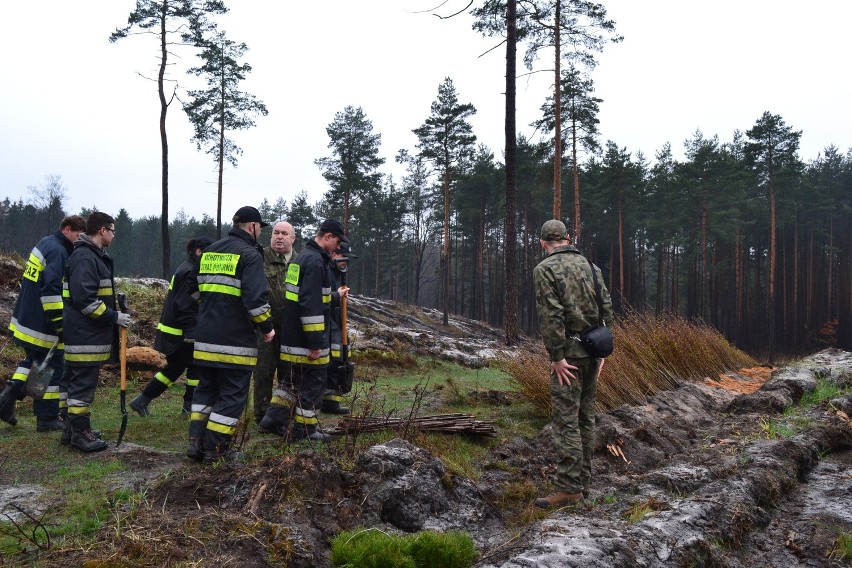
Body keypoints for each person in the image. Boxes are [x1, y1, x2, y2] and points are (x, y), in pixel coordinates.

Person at [532, 219, 613, 509]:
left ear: (543, 243)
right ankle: (583, 483)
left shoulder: (545, 270)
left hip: (568, 355)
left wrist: (556, 357)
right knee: (586, 418)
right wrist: (602, 352)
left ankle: (569, 488)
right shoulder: (592, 267)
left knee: (566, 420)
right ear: (568, 238)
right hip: (594, 349)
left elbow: (550, 316)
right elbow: (607, 309)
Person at [187, 206, 275, 463]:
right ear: (252, 227)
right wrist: (266, 327)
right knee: (232, 395)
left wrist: (208, 306)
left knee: (205, 390)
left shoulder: (211, 250)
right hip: (234, 341)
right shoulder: (250, 255)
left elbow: (191, 288)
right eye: (261, 227)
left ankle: (196, 444)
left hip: (205, 337)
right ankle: (216, 451)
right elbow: (255, 300)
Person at [257, 219, 347, 441]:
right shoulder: (315, 262)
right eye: (337, 242)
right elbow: (311, 305)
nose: (338, 247)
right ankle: (304, 430)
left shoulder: (302, 258)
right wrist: (316, 343)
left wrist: (335, 296)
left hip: (292, 334)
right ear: (327, 236)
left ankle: (272, 420)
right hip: (306, 341)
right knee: (314, 382)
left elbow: (310, 297)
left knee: (290, 382)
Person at [1, 215, 86, 430]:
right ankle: (47, 419)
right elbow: (50, 291)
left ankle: (6, 399)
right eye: (78, 235)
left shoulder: (45, 242)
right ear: (67, 229)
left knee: (33, 362)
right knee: (54, 367)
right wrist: (60, 323)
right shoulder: (59, 251)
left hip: (26, 316)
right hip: (42, 322)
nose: (79, 240)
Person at [62, 212, 129, 452]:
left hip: (85, 334)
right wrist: (114, 317)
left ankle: (71, 430)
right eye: (112, 230)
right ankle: (80, 434)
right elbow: (85, 300)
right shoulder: (84, 258)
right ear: (102, 230)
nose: (113, 235)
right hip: (84, 335)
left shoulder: (93, 257)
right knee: (82, 387)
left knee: (74, 383)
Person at [130, 236, 214, 417]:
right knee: (195, 368)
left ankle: (142, 400)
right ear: (198, 251)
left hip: (176, 332)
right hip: (181, 333)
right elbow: (183, 305)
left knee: (174, 369)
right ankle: (189, 407)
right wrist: (191, 331)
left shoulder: (187, 268)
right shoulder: (189, 271)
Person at [253, 221, 297, 425]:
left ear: (293, 238)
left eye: (284, 234)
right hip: (264, 327)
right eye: (276, 233)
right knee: (263, 372)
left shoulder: (300, 261)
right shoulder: (259, 257)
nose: (279, 237)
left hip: (291, 329)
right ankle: (262, 415)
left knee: (289, 374)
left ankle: (282, 414)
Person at [321, 238, 357, 415]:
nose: (346, 261)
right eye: (344, 256)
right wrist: (336, 296)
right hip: (327, 323)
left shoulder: (338, 272)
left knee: (341, 357)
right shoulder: (325, 269)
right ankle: (323, 399)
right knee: (331, 359)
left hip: (337, 322)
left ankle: (332, 401)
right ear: (334, 254)